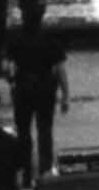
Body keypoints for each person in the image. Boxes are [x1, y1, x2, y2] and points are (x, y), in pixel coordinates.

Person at [9, 16, 67, 178]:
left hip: (23, 89)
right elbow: (60, 70)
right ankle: (45, 169)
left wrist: (13, 86)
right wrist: (65, 96)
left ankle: (25, 169)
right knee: (45, 131)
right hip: (45, 89)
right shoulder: (49, 41)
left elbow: (8, 68)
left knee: (23, 132)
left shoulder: (16, 40)